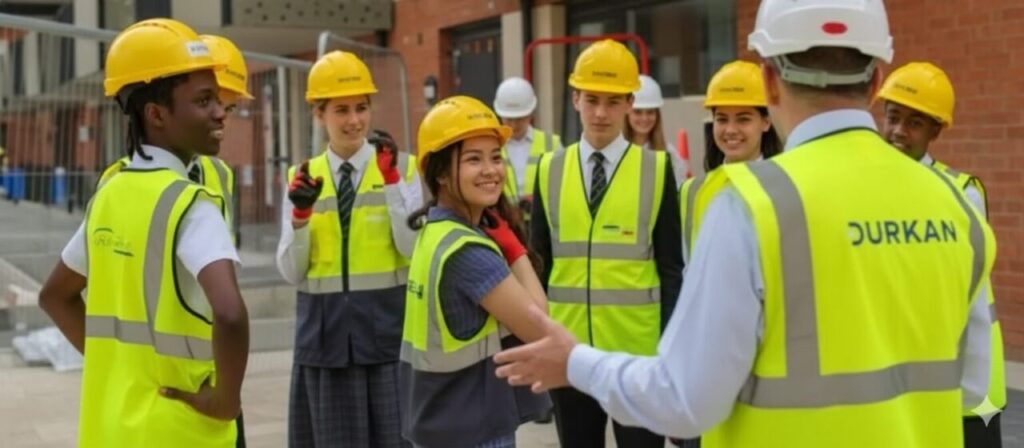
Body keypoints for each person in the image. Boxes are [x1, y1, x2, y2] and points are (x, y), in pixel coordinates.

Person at [495, 1, 997, 447]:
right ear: (875, 79)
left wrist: (576, 362)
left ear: (771, 82)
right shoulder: (956, 205)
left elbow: (688, 399)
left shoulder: (752, 205)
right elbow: (973, 383)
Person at [37, 19, 249, 447]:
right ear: (156, 114)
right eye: (205, 100)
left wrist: (117, 367)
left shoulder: (110, 193)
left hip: (111, 428)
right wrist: (226, 401)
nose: (220, 110)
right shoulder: (191, 205)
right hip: (180, 431)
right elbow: (229, 314)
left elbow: (54, 296)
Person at [528, 39, 683, 448]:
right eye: (592, 99)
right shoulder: (549, 170)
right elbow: (538, 266)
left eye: (613, 102)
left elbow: (671, 268)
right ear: (575, 98)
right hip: (569, 352)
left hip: (638, 357)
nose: (600, 113)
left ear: (630, 103)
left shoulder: (657, 169)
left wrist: (671, 347)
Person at [275, 50, 422, 447]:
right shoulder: (300, 178)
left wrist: (391, 183)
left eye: (361, 108)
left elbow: (413, 249)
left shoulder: (403, 169)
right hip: (324, 345)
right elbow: (291, 271)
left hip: (386, 340)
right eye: (341, 110)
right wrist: (300, 218)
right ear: (318, 113)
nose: (354, 120)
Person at [398, 95, 552, 448]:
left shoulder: (433, 232)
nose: (491, 170)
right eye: (473, 159)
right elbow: (538, 325)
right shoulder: (469, 252)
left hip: (440, 419)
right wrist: (513, 248)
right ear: (440, 173)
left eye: (495, 157)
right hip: (473, 428)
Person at [877, 61, 1006, 448]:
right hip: (899, 384)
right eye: (893, 117)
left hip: (967, 387)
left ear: (937, 130)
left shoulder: (961, 194)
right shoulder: (868, 184)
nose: (899, 130)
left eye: (914, 123)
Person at [96, 30, 250, 246]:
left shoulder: (220, 173)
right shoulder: (118, 179)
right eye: (206, 101)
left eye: (229, 108)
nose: (221, 115)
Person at [679, 61, 782, 261]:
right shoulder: (691, 192)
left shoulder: (784, 188)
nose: (731, 130)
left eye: (743, 119)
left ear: (766, 122)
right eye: (722, 119)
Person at [493, 76, 562, 225]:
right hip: (503, 223)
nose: (514, 125)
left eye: (520, 118)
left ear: (531, 114)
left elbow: (563, 187)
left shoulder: (552, 144)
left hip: (542, 224)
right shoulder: (492, 146)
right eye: (509, 119)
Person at [625, 74, 688, 187]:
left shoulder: (670, 155)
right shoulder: (615, 151)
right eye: (638, 112)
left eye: (650, 112)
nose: (645, 118)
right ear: (627, 113)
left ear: (657, 115)